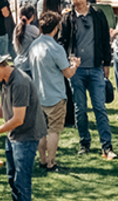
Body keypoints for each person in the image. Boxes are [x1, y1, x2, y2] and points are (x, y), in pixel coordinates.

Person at [0, 51, 46, 201]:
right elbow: (3, 107)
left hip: (26, 136)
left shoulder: (20, 83)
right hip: (13, 135)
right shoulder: (3, 81)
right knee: (12, 178)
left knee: (21, 182)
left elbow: (18, 119)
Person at [59, 0, 116, 159]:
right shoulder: (68, 19)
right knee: (80, 108)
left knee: (100, 107)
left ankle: (107, 146)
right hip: (76, 71)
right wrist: (68, 60)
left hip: (96, 67)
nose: (77, 1)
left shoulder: (98, 15)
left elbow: (105, 40)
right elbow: (62, 42)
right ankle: (84, 142)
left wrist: (107, 64)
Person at [28, 11, 75, 173]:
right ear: (56, 28)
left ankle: (42, 160)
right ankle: (51, 163)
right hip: (55, 96)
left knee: (41, 132)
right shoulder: (56, 48)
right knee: (54, 131)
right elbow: (67, 73)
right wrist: (75, 65)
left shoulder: (34, 45)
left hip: (38, 95)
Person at [13, 4, 41, 75]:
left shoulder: (16, 29)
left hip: (18, 63)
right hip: (29, 65)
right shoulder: (33, 29)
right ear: (32, 17)